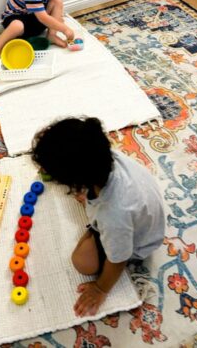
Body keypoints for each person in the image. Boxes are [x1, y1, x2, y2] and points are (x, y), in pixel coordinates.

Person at [31, 117, 165, 317]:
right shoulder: (104, 157)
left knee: (82, 262)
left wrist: (101, 289)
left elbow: (118, 259)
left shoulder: (113, 214)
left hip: (138, 242)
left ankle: (94, 231)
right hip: (138, 210)